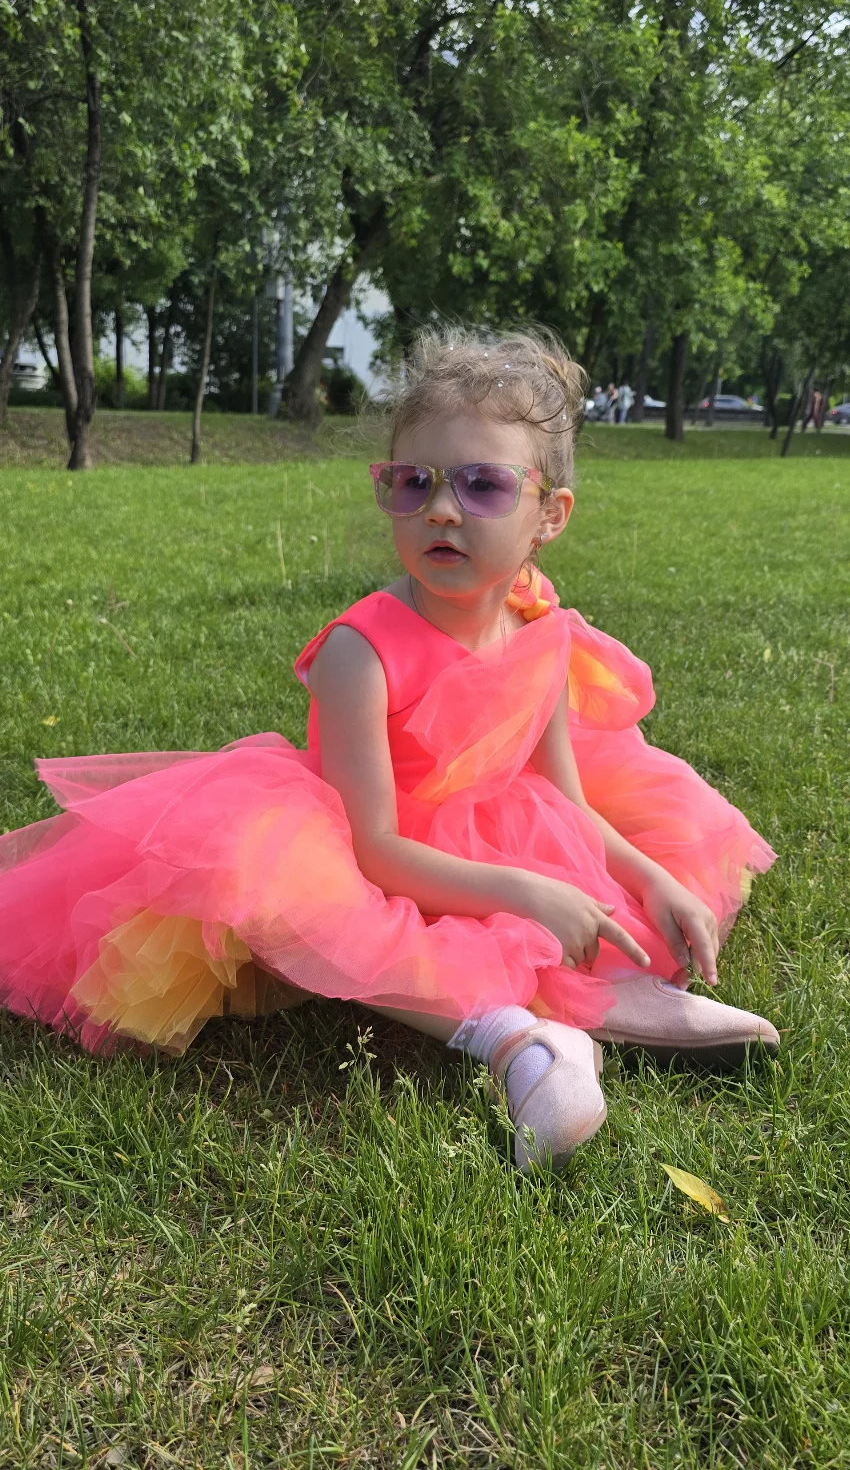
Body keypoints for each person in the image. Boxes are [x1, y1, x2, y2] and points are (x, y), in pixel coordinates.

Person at [0, 331, 778, 1171]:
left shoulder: (540, 626)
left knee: (591, 878)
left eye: (484, 485)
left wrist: (650, 877)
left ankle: (618, 995)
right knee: (303, 896)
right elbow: (373, 851)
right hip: (374, 852)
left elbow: (567, 801)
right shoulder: (360, 652)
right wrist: (525, 891)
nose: (440, 509)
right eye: (414, 482)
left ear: (549, 516)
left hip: (494, 835)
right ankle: (519, 1042)